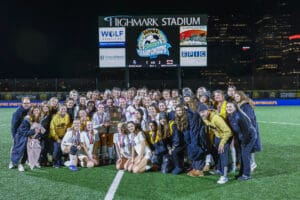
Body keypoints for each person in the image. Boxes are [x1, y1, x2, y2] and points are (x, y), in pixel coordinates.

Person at [198, 103, 233, 184]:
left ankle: (224, 177)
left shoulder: (216, 118)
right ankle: (220, 170)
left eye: (203, 112)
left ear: (207, 110)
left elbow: (228, 132)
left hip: (224, 137)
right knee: (219, 156)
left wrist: (222, 142)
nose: (202, 114)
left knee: (224, 157)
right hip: (217, 137)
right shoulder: (205, 117)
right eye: (200, 112)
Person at [226, 102, 257, 180]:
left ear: (235, 107)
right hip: (241, 137)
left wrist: (244, 142)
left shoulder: (239, 116)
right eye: (227, 107)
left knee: (245, 155)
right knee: (241, 155)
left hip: (249, 137)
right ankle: (241, 173)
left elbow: (246, 131)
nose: (228, 108)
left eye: (230, 106)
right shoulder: (230, 116)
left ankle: (246, 175)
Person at [234, 90, 262, 171]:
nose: (236, 98)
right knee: (247, 147)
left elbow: (250, 118)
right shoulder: (239, 105)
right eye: (235, 97)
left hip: (249, 130)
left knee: (250, 147)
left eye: (238, 96)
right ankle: (250, 163)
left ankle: (252, 163)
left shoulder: (245, 106)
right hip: (244, 130)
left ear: (242, 96)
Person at [9, 96, 31, 169]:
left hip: (28, 133)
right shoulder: (17, 112)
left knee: (27, 147)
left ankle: (26, 160)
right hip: (19, 134)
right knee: (16, 148)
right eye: (25, 103)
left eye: (28, 103)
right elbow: (13, 125)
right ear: (22, 103)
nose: (26, 104)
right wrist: (14, 136)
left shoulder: (31, 110)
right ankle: (12, 162)